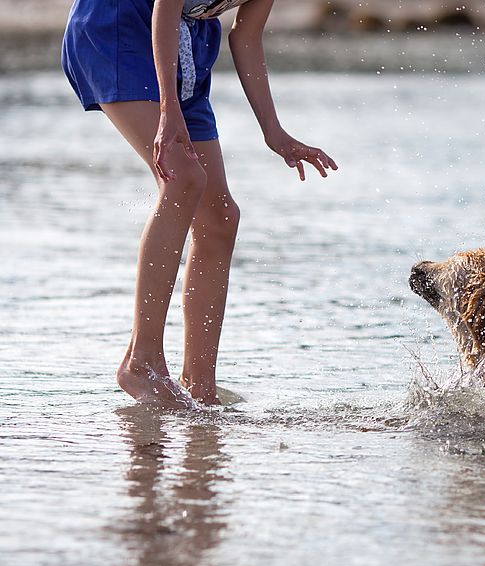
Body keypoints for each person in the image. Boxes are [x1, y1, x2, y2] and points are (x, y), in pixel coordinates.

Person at [61, 0, 337, 407]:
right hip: (120, 26)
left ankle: (200, 386)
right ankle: (143, 362)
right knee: (183, 180)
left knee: (220, 217)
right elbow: (166, 8)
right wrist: (169, 110)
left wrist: (273, 132)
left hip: (187, 40)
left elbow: (245, 36)